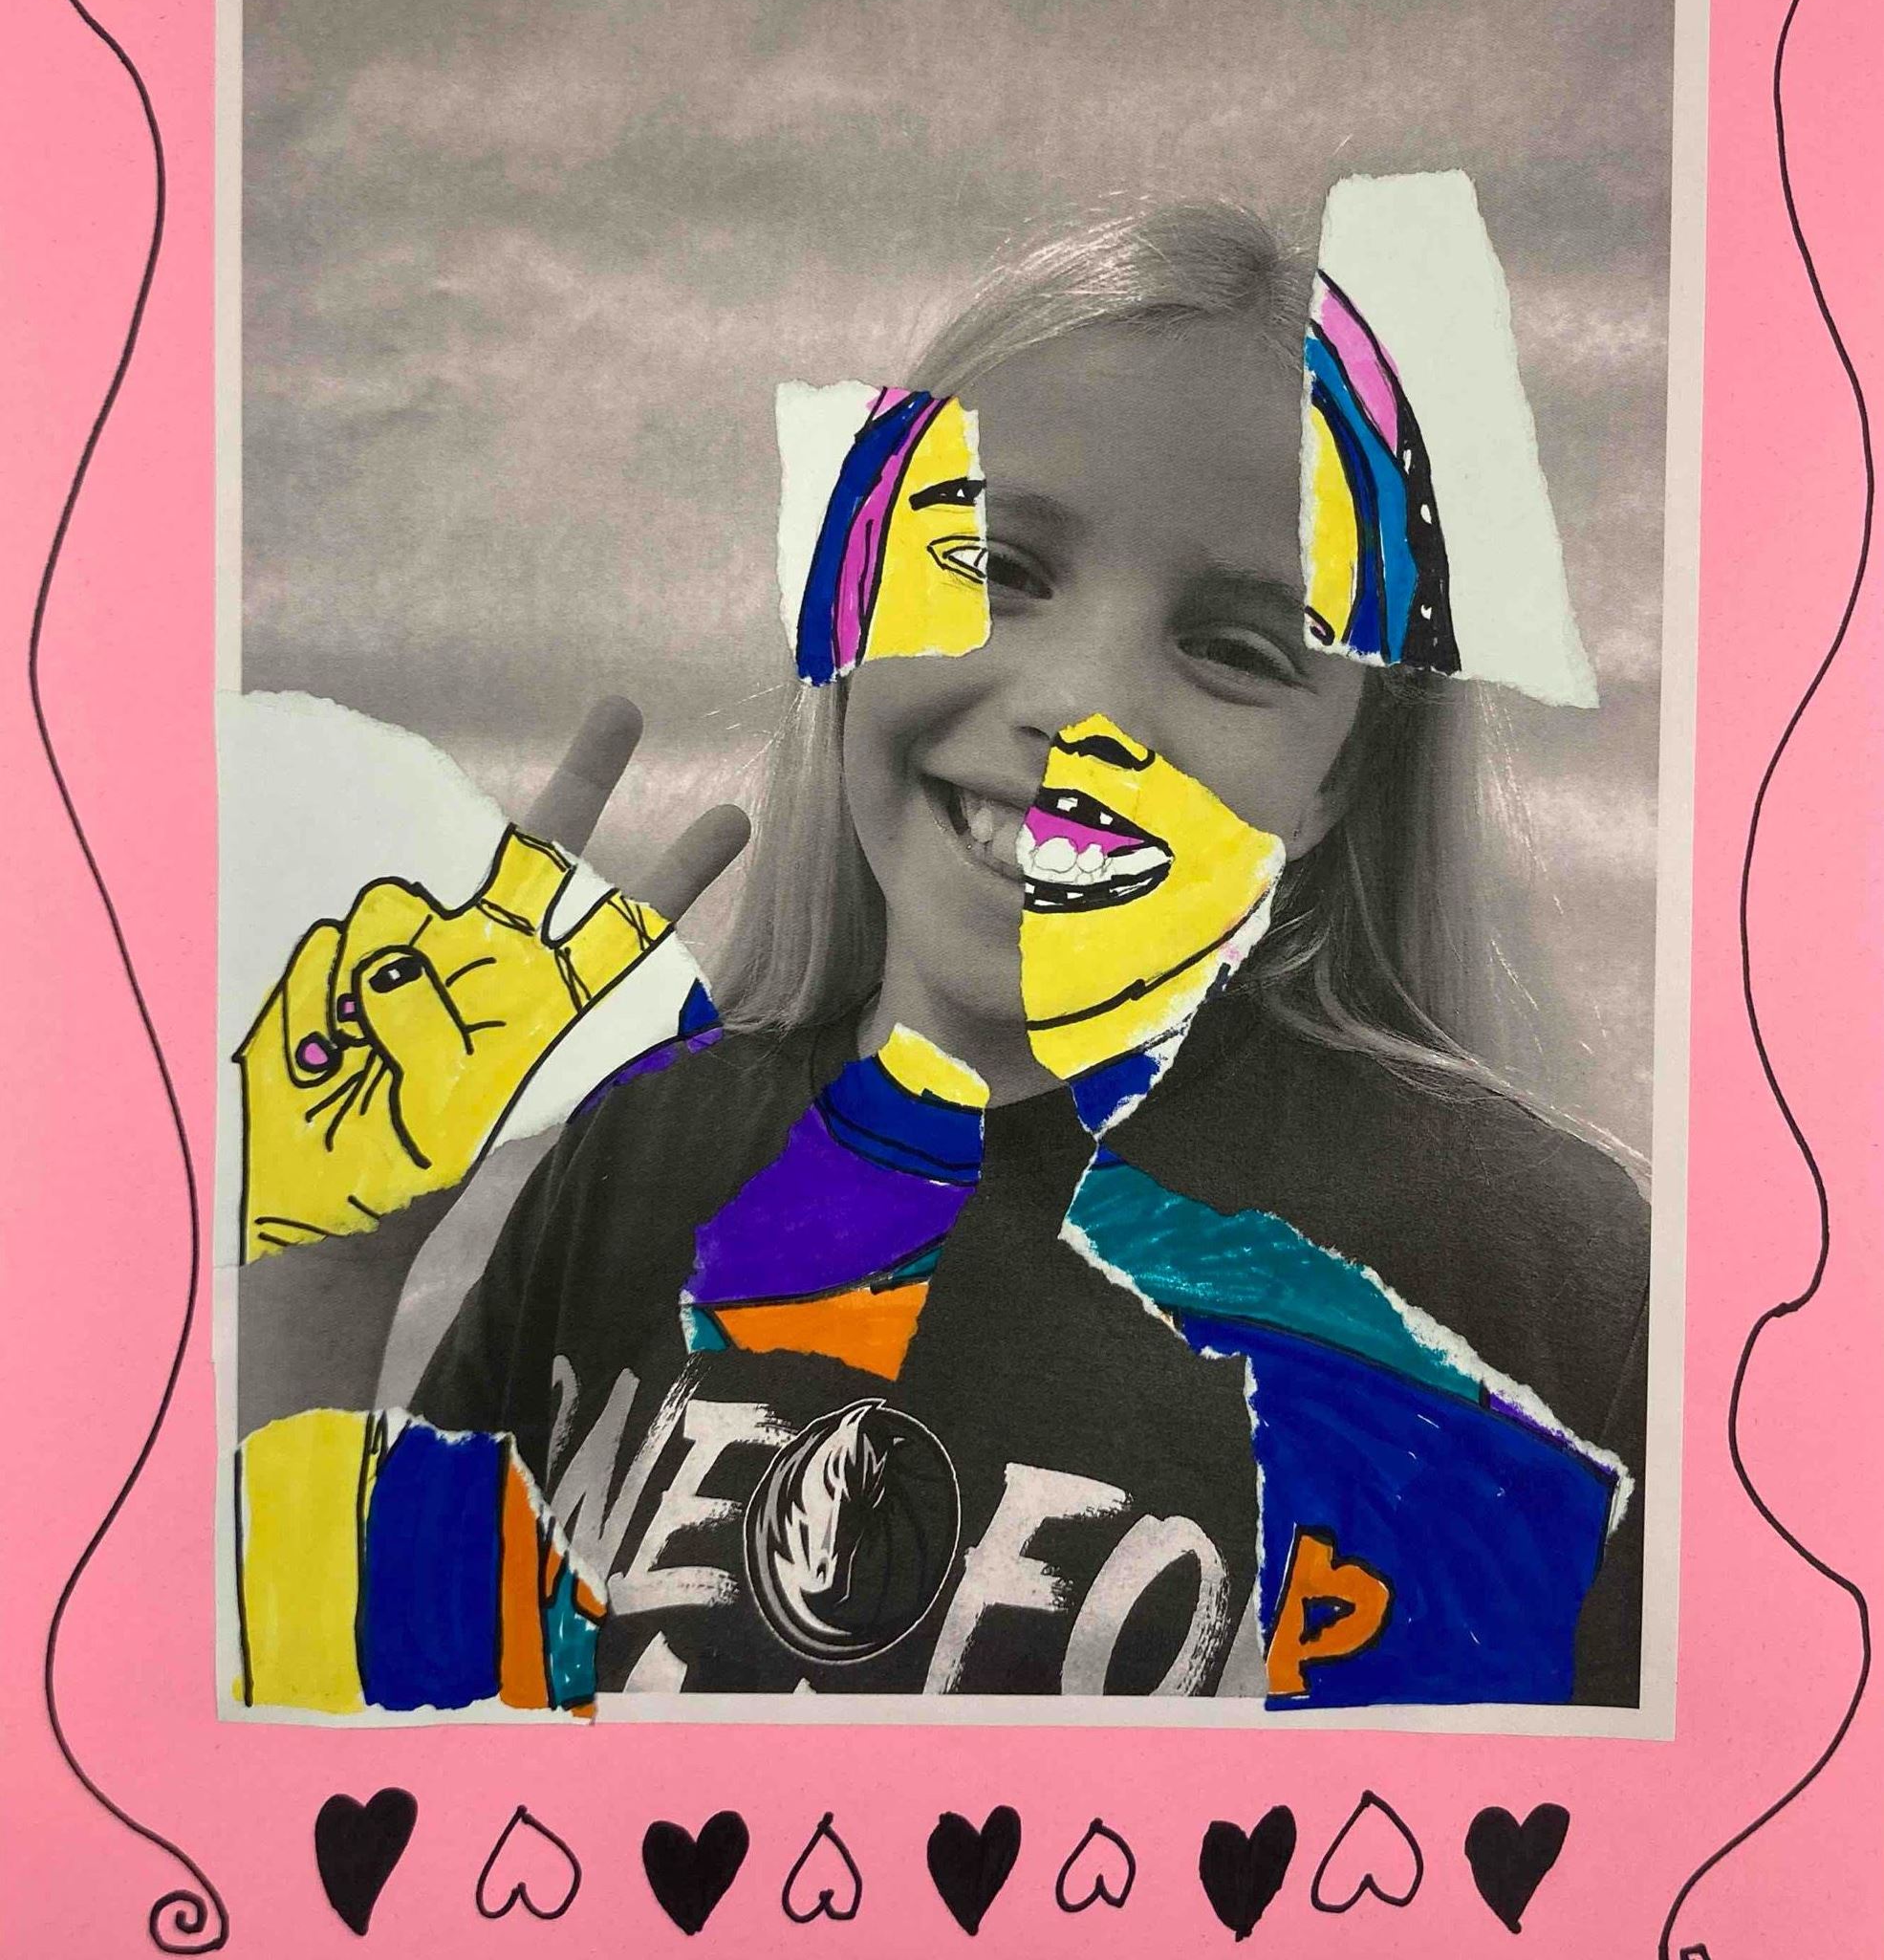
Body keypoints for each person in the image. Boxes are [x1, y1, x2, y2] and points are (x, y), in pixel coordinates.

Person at [280, 201, 1651, 1707]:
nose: (1078, 703)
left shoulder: (1537, 1278)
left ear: (1341, 781)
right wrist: (322, 1265)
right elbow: (356, 1767)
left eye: (1235, 647)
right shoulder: (643, 1152)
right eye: (994, 565)